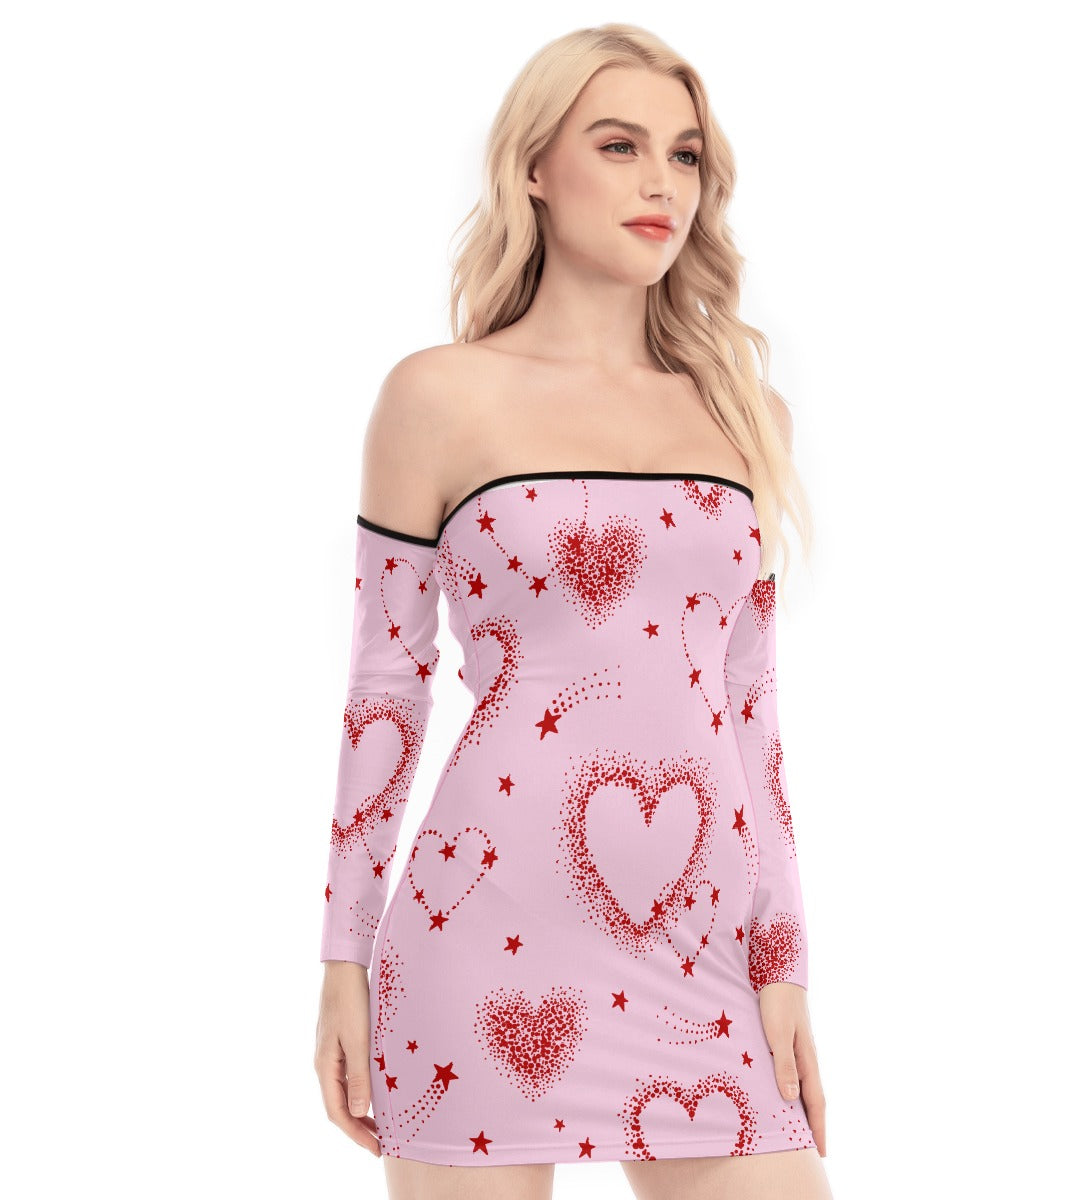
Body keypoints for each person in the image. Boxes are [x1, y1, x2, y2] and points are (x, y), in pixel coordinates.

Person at [314, 23, 833, 1200]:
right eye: (619, 145)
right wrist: (345, 956)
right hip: (479, 932)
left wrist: (784, 962)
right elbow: (384, 692)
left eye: (685, 155)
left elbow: (750, 709)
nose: (662, 184)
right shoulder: (438, 398)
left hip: (700, 951)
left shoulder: (746, 416)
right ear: (535, 169)